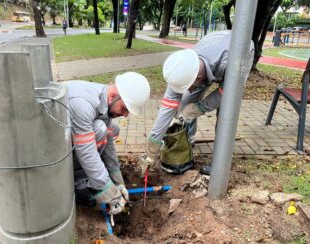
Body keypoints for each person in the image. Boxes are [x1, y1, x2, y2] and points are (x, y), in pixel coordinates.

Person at [139, 30, 254, 176]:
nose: (185, 89)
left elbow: (227, 93)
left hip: (239, 52)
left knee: (225, 112)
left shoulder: (230, 63)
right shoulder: (182, 69)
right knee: (185, 104)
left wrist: (198, 109)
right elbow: (167, 108)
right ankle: (188, 141)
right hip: (212, 43)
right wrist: (152, 147)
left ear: (198, 78)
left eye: (187, 86)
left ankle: (220, 162)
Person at [65, 72, 150, 214]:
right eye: (124, 108)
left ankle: (90, 179)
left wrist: (118, 181)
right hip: (48, 149)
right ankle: (78, 184)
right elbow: (86, 152)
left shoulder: (105, 99)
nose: (125, 114)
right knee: (99, 129)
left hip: (67, 138)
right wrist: (109, 192)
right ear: (113, 96)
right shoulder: (82, 104)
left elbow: (109, 144)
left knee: (112, 129)